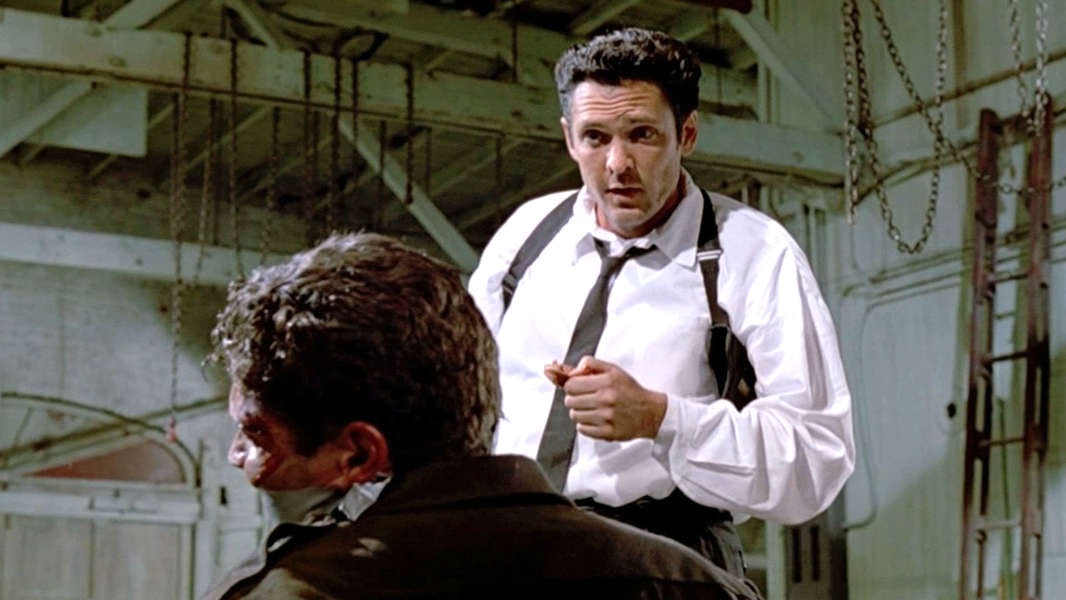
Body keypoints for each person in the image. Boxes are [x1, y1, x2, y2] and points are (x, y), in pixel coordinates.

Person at [468, 27, 855, 575]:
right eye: (595, 137)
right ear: (568, 138)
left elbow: (817, 458)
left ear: (686, 134)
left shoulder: (755, 253)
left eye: (642, 135)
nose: (617, 164)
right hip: (511, 553)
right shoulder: (526, 236)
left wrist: (661, 418)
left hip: (665, 561)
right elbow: (460, 405)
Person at [202, 232, 761, 599]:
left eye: (255, 432)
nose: (235, 453)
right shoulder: (696, 586)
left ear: (361, 452)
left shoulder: (294, 589)